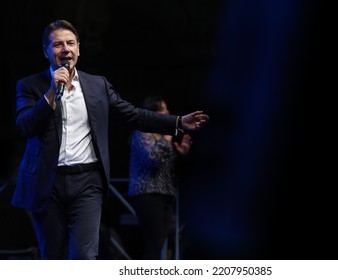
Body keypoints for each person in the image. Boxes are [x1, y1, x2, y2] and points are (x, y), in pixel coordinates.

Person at [11, 19, 209, 260]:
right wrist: (52, 92)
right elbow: (25, 126)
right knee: (53, 257)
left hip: (87, 181)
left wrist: (177, 122)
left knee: (84, 256)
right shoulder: (30, 86)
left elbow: (133, 115)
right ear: (46, 51)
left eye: (70, 43)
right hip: (47, 183)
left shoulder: (97, 85)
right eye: (58, 44)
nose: (65, 49)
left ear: (79, 49)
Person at [128, 96, 191, 259]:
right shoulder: (141, 134)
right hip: (147, 193)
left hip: (165, 194)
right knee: (154, 245)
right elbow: (152, 160)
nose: (168, 112)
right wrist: (166, 138)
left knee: (159, 244)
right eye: (163, 109)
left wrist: (180, 153)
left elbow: (166, 167)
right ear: (153, 113)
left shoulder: (162, 137)